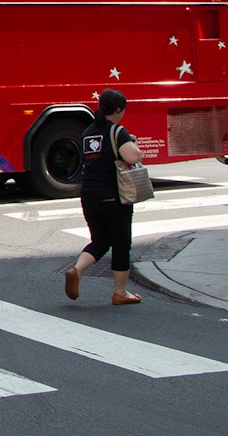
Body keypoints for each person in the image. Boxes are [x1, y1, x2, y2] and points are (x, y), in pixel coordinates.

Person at [65, 88, 144, 305]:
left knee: (99, 241)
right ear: (118, 109)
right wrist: (134, 145)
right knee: (120, 244)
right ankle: (121, 292)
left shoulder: (88, 132)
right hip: (112, 196)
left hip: (88, 196)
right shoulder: (117, 131)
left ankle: (77, 270)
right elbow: (132, 156)